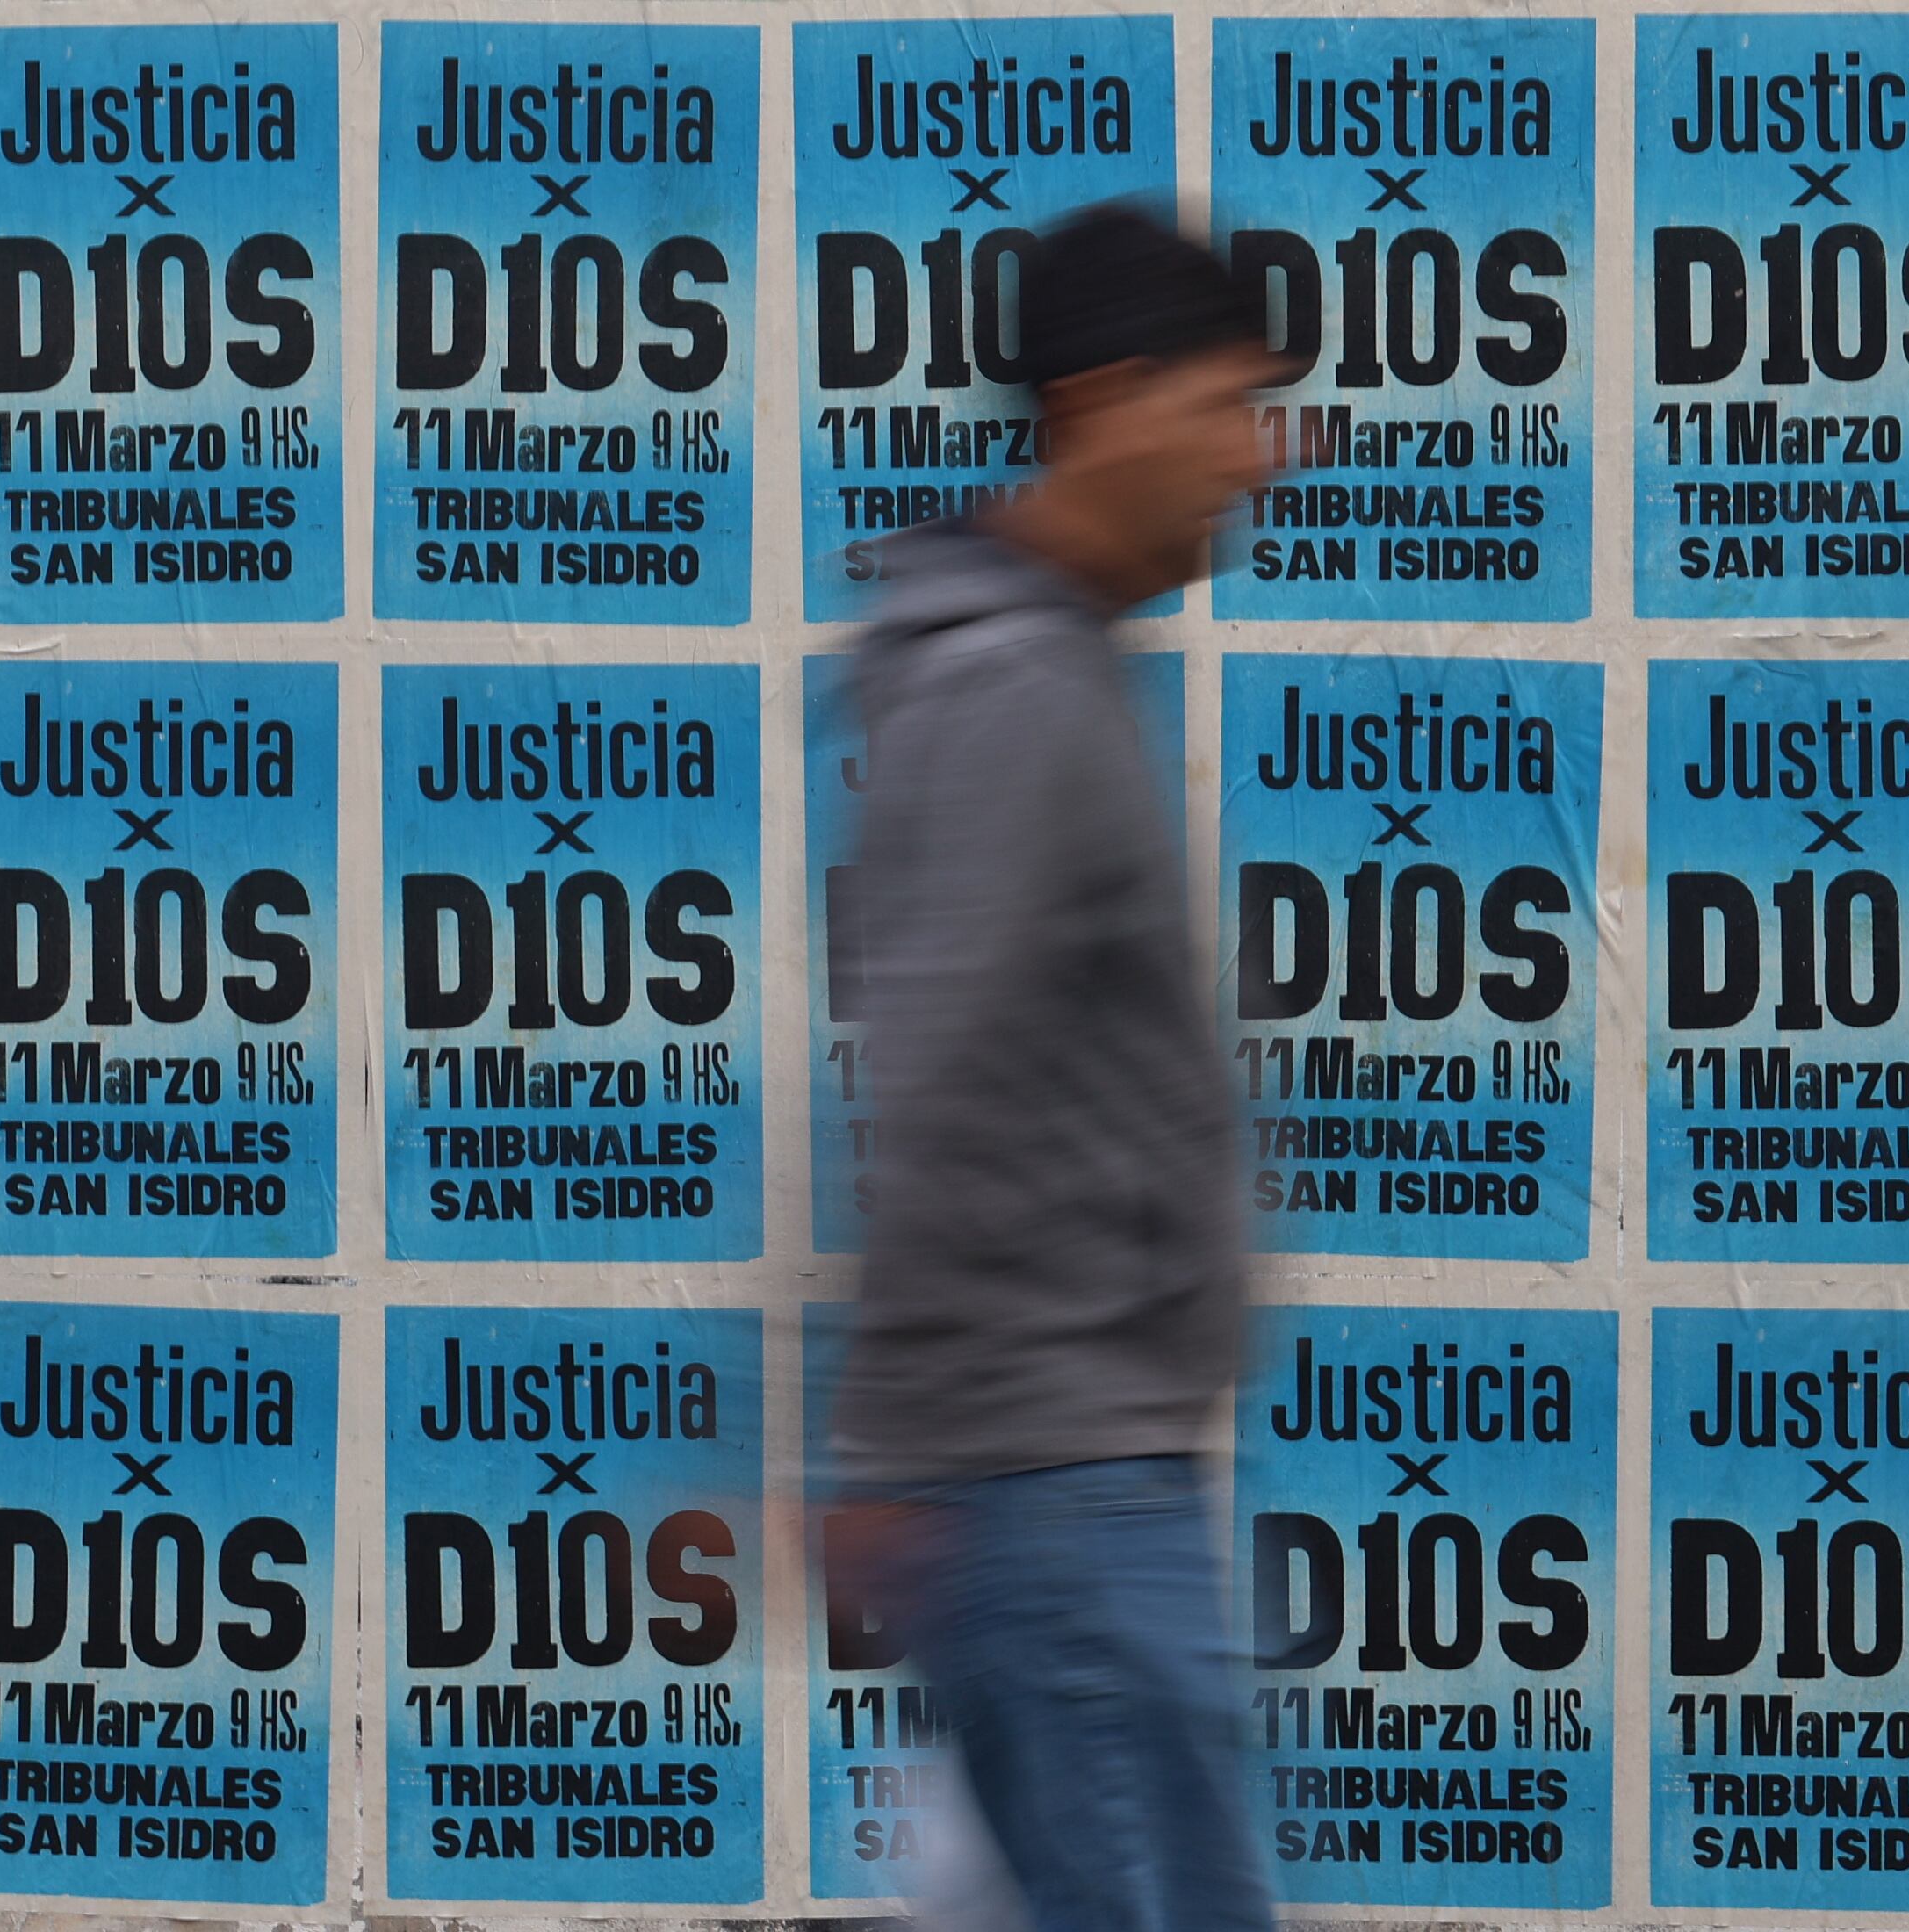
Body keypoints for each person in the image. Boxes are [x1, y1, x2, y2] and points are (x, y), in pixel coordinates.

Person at [829, 202, 1279, 1932]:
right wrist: (878, 1451)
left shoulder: (1041, 663)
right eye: (1230, 402)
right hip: (1059, 1503)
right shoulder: (1016, 684)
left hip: (1075, 1488)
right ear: (1106, 401)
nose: (1259, 455)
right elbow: (939, 1074)